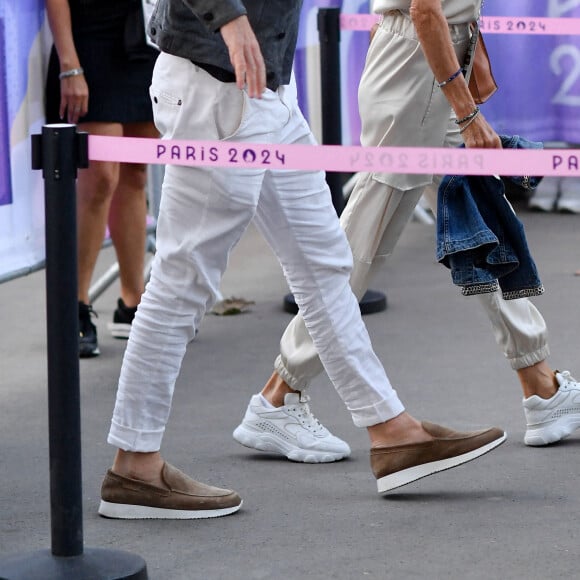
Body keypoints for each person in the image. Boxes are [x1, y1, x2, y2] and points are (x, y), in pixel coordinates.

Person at [97, 0, 506, 520]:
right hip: (217, 86)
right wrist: (228, 17)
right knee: (183, 283)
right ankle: (134, 464)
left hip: (262, 90)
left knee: (324, 266)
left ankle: (392, 431)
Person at [233, 0, 580, 460]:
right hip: (421, 63)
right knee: (364, 242)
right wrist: (466, 110)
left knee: (480, 221)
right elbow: (423, 10)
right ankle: (279, 393)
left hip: (428, 60)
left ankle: (541, 385)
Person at [45, 0, 159, 357]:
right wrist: (69, 64)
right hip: (88, 40)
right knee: (100, 179)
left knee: (136, 174)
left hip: (145, 38)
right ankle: (74, 308)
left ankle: (132, 302)